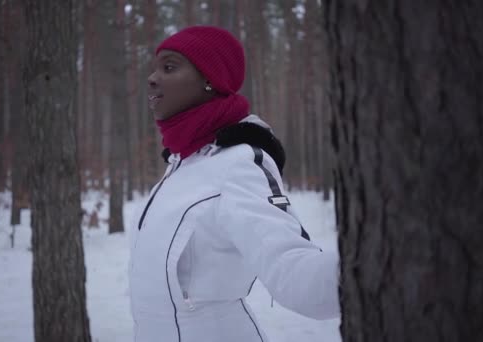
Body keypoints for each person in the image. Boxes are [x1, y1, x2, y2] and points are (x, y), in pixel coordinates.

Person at [128, 26, 340, 342]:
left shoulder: (239, 164)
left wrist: (374, 256)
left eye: (169, 67)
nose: (152, 78)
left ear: (210, 80)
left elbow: (294, 276)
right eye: (155, 67)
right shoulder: (181, 162)